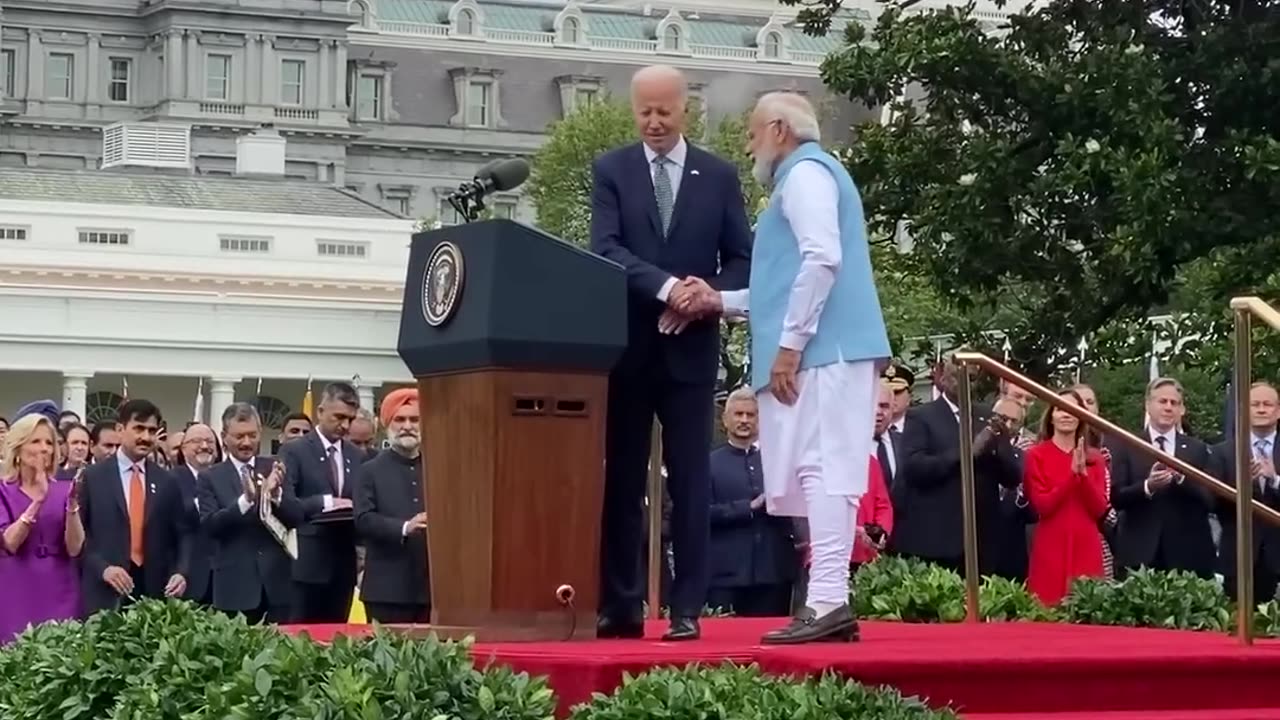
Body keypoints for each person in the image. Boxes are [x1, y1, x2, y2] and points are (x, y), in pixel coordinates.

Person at [668, 92, 890, 643]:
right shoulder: (811, 176)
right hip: (823, 350)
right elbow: (782, 283)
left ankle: (828, 601)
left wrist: (790, 345)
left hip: (823, 353)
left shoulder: (806, 175)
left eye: (750, 133)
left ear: (777, 129)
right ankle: (827, 602)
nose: (747, 146)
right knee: (821, 470)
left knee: (826, 470)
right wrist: (721, 301)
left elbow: (822, 259)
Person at [589, 64, 752, 641]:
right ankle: (621, 604)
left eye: (665, 112)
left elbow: (741, 256)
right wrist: (667, 289)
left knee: (690, 479)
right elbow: (605, 249)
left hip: (692, 351)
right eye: (644, 113)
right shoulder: (612, 170)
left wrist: (704, 298)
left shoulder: (719, 175)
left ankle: (687, 609)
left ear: (687, 110)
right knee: (622, 479)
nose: (654, 123)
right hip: (630, 347)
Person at [78, 399, 191, 615]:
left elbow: (183, 534)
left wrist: (181, 572)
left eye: (151, 430)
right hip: (106, 592)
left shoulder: (167, 480)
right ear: (120, 430)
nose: (145, 437)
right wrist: (103, 569)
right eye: (138, 429)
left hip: (154, 594)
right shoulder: (92, 478)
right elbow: (79, 537)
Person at [197, 403, 304, 624]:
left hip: (277, 587)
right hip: (234, 588)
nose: (246, 442)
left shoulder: (275, 468)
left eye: (252, 435)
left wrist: (275, 496)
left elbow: (297, 517)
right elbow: (210, 526)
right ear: (224, 437)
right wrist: (245, 501)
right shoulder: (210, 477)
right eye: (239, 436)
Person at [280, 382, 364, 623]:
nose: (345, 425)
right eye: (339, 417)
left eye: (350, 419)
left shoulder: (356, 455)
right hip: (307, 564)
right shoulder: (294, 451)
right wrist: (327, 503)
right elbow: (287, 505)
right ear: (320, 411)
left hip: (344, 565)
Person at [0, 414, 84, 643]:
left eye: (49, 442)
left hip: (60, 588)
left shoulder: (66, 489)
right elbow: (9, 542)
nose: (44, 449)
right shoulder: (3, 490)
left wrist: (72, 507)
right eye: (35, 441)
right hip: (16, 588)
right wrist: (38, 500)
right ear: (18, 447)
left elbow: (75, 548)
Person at [353, 388, 431, 624]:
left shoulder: (438, 467)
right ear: (387, 423)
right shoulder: (369, 470)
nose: (407, 426)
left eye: (415, 419)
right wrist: (405, 527)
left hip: (433, 590)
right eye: (400, 419)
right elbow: (363, 520)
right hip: (386, 591)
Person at [1024, 390, 1108, 606]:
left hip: (1085, 543)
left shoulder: (1095, 458)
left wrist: (1083, 476)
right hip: (1051, 544)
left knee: (1086, 613)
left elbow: (1099, 509)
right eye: (1060, 408)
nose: (1066, 414)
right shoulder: (1036, 455)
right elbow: (1043, 505)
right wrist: (1071, 477)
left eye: (1072, 409)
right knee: (1047, 613)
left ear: (1081, 416)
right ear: (1051, 415)